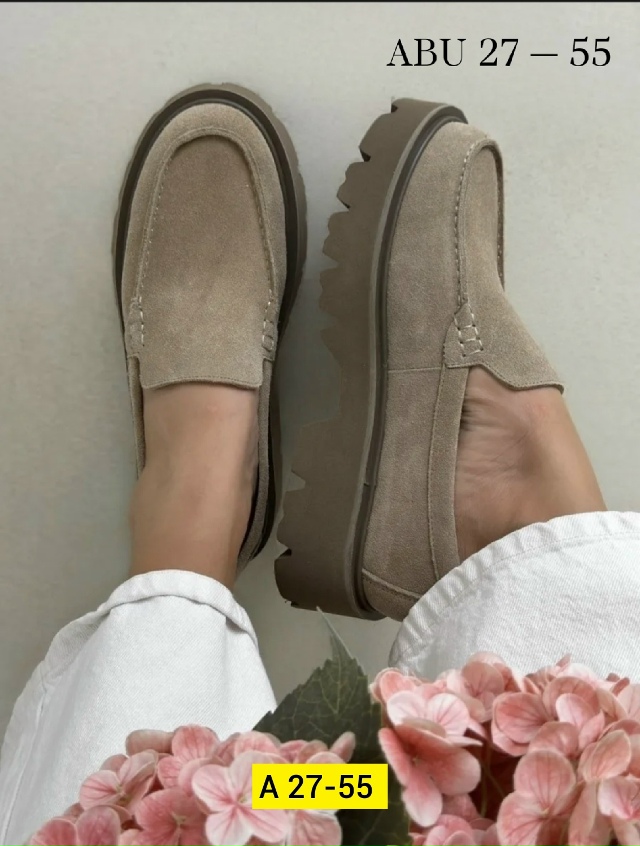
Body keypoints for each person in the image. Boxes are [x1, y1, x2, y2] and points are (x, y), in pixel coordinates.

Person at [1, 85, 638, 845]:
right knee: (421, 792)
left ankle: (192, 507)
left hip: (301, 796)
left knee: (224, 793)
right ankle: (510, 536)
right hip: (388, 793)